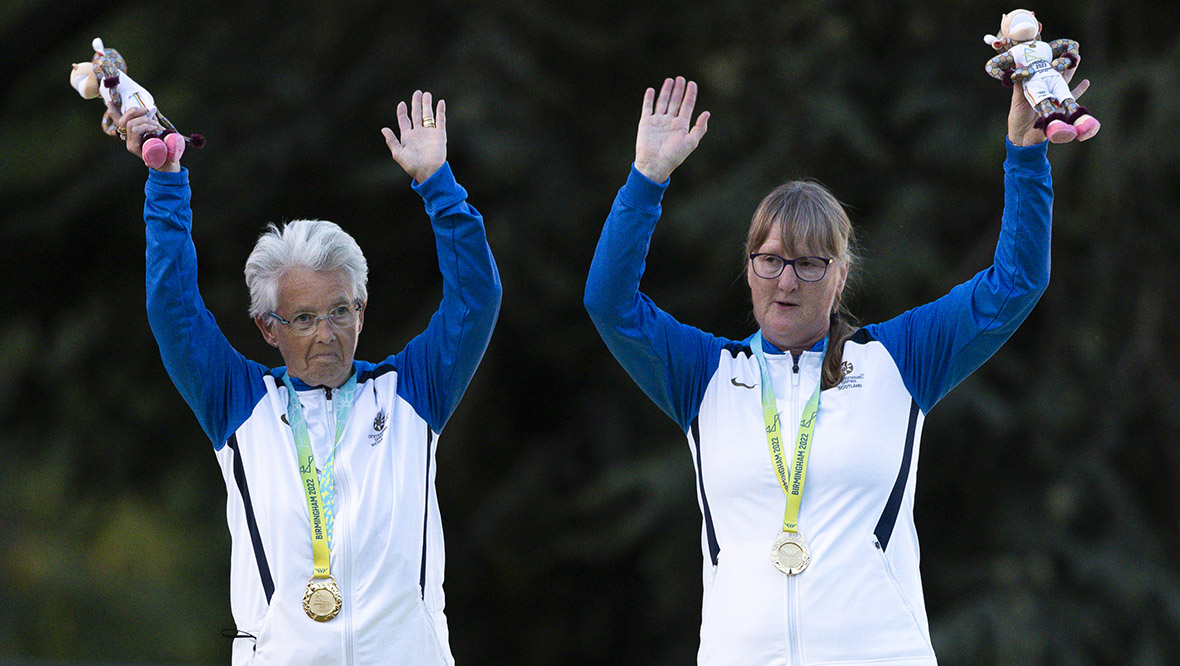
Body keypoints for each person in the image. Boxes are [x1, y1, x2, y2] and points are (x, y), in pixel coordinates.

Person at [584, 73, 1085, 664]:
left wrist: (1025, 157)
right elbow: (609, 304)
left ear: (842, 274)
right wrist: (647, 179)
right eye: (769, 260)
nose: (786, 282)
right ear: (748, 267)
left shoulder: (900, 360)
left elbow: (1015, 284)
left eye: (808, 265)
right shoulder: (707, 376)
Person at [114, 90, 501, 665]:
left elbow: (476, 298)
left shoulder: (413, 393)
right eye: (303, 318)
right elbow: (174, 310)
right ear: (268, 329)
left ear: (362, 311)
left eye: (341, 310)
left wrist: (438, 184)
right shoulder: (238, 404)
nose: (326, 333)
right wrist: (167, 180)